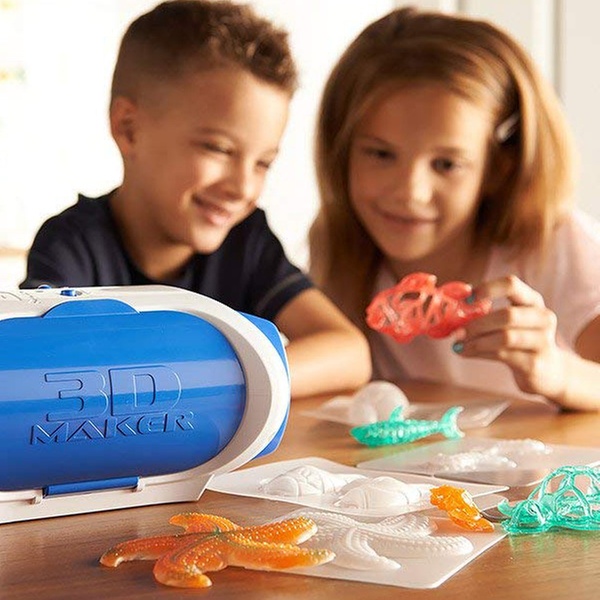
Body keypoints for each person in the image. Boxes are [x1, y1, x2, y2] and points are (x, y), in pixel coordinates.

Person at [21, 0, 371, 399]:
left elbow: (349, 353)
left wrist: (214, 385)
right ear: (129, 129)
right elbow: (39, 368)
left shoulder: (247, 242)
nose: (243, 188)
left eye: (263, 163)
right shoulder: (71, 244)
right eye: (218, 149)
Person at [309, 6, 600, 411]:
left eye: (446, 164)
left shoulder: (553, 243)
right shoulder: (338, 249)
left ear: (499, 167)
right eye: (380, 154)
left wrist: (558, 372)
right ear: (341, 152)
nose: (410, 192)